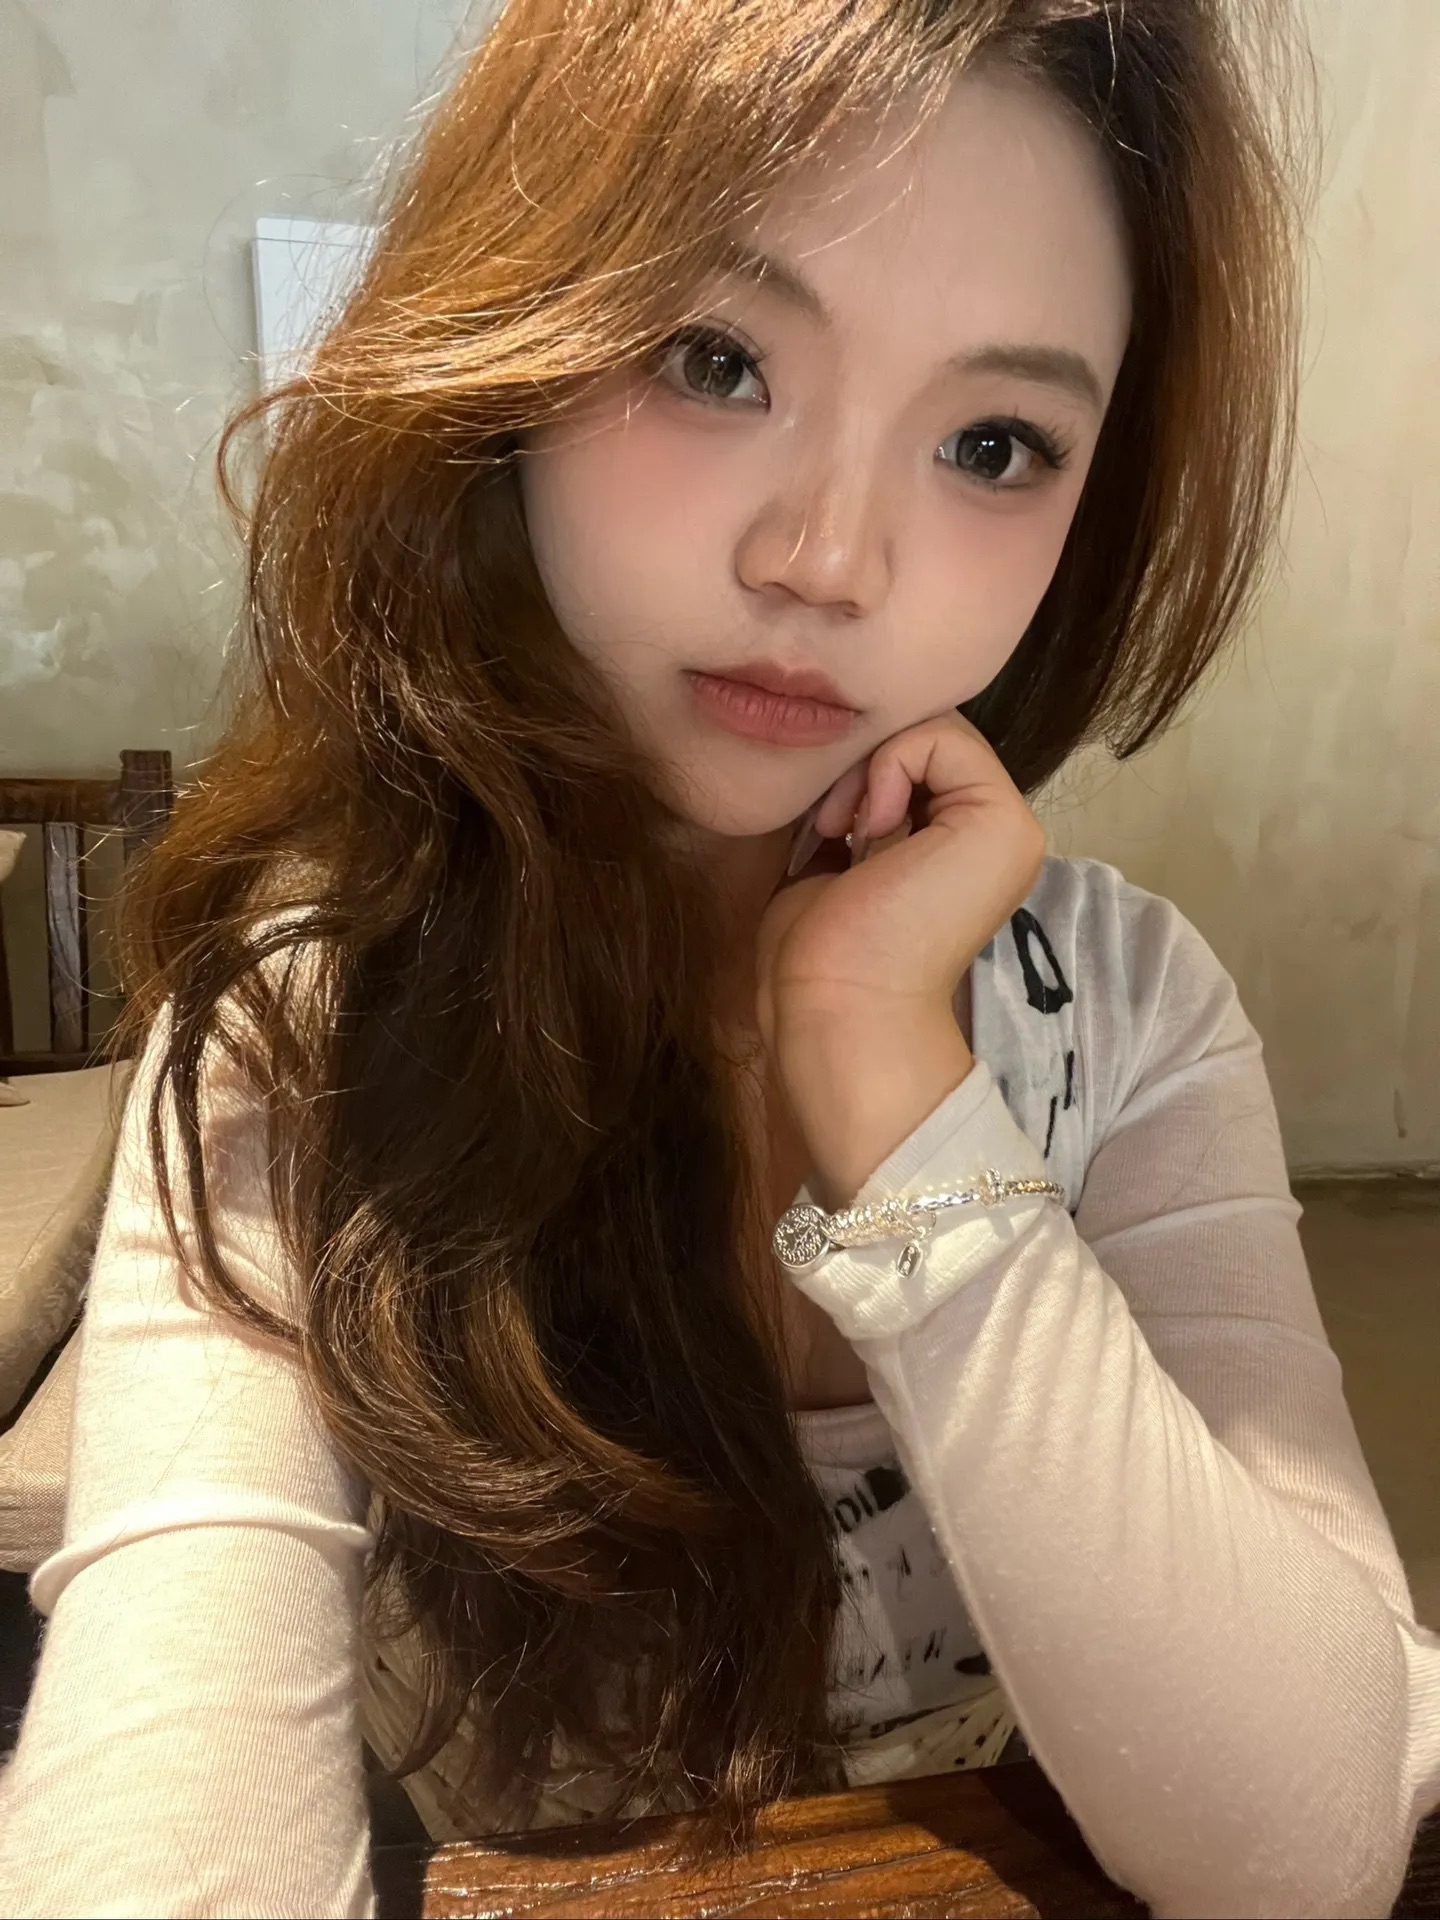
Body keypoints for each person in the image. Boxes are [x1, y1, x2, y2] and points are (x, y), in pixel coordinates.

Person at [1, 0, 1437, 1913]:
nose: (831, 558)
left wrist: (890, 1082)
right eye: (714, 358)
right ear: (517, 347)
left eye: (994, 442)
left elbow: (1311, 1846)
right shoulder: (307, 1030)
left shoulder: (1126, 1017)